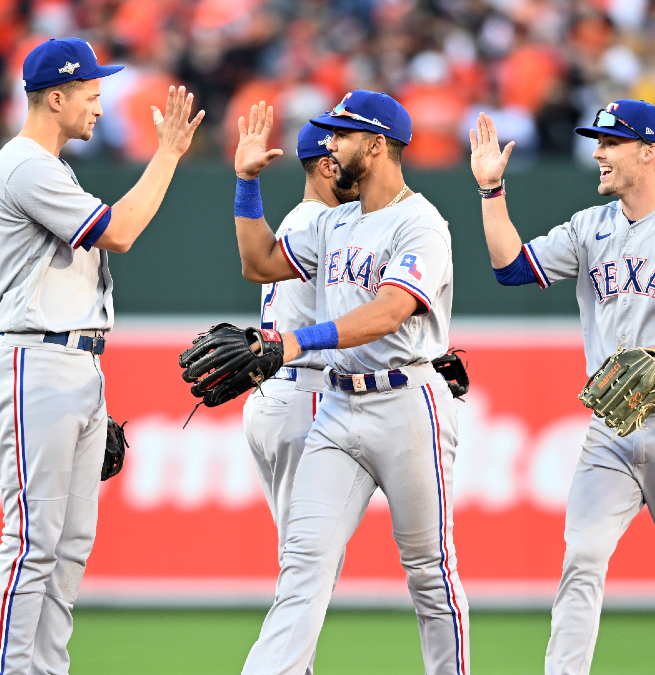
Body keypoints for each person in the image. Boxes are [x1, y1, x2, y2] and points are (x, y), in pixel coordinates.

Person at [469, 99, 655, 675]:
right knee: (582, 559)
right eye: (597, 142)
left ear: (649, 152)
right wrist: (491, 193)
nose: (597, 152)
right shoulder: (590, 227)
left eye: (611, 143)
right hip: (613, 424)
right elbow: (510, 267)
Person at [0, 37, 203, 675]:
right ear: (56, 97)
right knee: (31, 545)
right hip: (34, 360)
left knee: (68, 548)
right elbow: (121, 232)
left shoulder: (53, 165)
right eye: (92, 94)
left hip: (74, 362)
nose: (101, 108)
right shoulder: (24, 164)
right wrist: (168, 155)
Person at [231, 91, 468, 675]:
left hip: (407, 404)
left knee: (429, 571)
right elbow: (258, 263)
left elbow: (389, 311)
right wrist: (245, 183)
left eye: (342, 134)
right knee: (302, 567)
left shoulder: (421, 223)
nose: (330, 144)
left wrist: (298, 340)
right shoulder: (335, 221)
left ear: (378, 144)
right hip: (338, 409)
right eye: (330, 134)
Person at [243, 121, 359, 566]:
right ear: (329, 167)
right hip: (304, 394)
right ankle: (281, 640)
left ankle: (289, 638)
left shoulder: (300, 219)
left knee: (303, 553)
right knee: (309, 558)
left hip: (275, 393)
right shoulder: (327, 223)